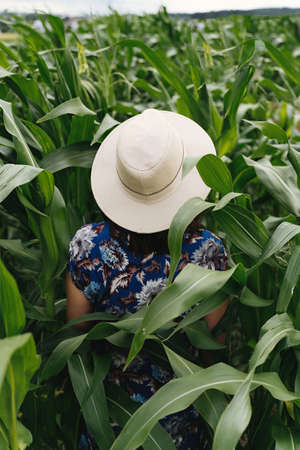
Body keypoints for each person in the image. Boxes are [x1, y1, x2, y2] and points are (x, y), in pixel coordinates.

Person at [66, 109, 228, 449]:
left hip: (109, 418)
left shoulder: (87, 245)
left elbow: (78, 328)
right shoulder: (208, 253)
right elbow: (210, 339)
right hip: (179, 419)